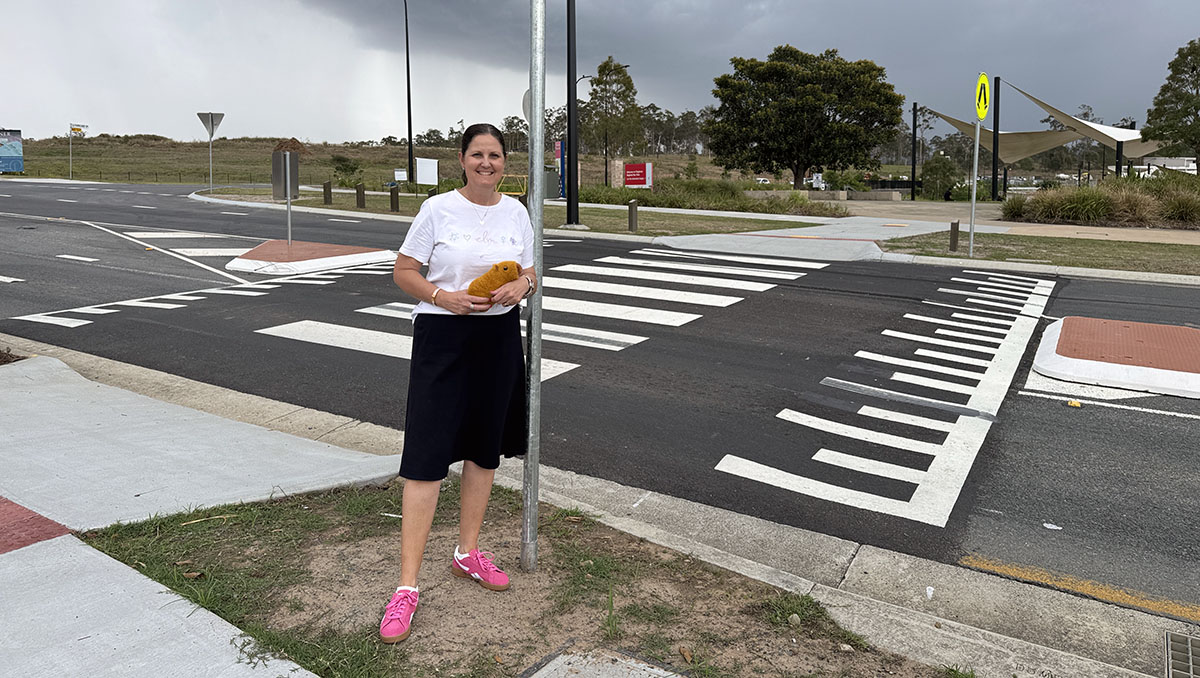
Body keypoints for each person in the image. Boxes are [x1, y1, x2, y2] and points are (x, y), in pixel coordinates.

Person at [379, 123, 538, 644]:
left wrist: (523, 284)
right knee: (426, 457)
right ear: (462, 160)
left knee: (483, 450)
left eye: (494, 155)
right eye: (477, 154)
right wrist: (439, 295)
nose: (486, 163)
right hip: (442, 337)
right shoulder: (437, 209)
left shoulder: (517, 213)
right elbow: (404, 272)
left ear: (505, 163)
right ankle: (406, 586)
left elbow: (531, 272)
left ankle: (467, 552)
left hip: (496, 340)